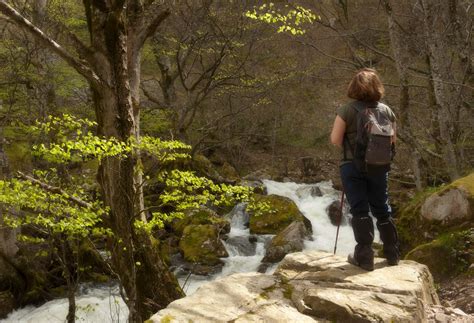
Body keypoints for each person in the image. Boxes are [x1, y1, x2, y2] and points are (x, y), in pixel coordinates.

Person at [330, 68, 400, 271]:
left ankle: (364, 256)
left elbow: (335, 140)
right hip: (379, 166)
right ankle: (392, 253)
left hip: (352, 165)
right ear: (378, 87)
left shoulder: (347, 110)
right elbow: (392, 141)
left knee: (360, 209)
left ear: (353, 87)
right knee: (382, 209)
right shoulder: (387, 111)